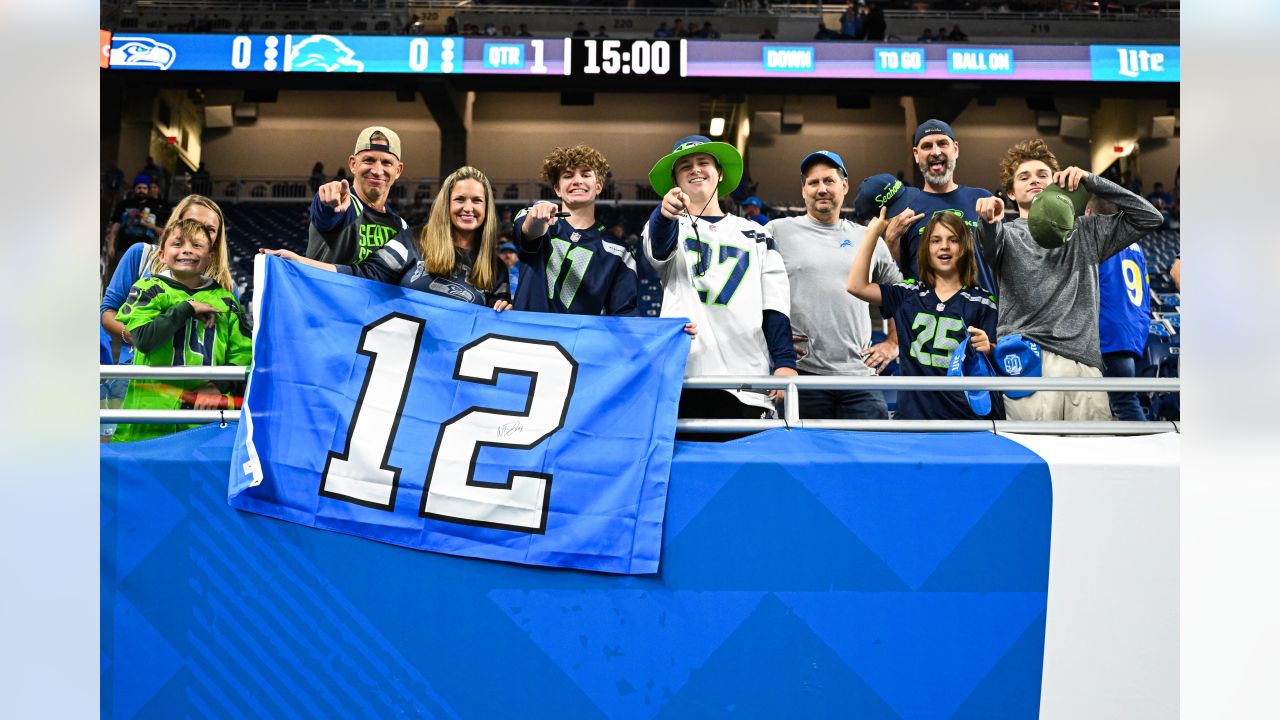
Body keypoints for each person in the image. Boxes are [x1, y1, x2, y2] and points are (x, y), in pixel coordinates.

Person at [974, 139, 1163, 421]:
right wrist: (988, 219)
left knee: (1089, 461)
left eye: (1042, 175)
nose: (1034, 181)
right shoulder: (1006, 234)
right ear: (1011, 192)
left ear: (1055, 183)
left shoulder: (1086, 231)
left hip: (1083, 364)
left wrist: (1092, 181)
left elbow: (1150, 217)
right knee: (1036, 459)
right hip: (1027, 363)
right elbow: (988, 242)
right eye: (1023, 177)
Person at [642, 135, 797, 419]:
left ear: (720, 173)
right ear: (676, 180)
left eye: (703, 162)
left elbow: (774, 303)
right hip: (683, 374)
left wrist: (785, 361)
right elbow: (660, 248)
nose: (695, 169)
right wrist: (665, 214)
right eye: (685, 165)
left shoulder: (758, 234)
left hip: (746, 377)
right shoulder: (666, 224)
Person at [767, 151, 909, 420]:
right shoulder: (777, 231)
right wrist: (774, 346)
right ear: (803, 189)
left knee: (869, 456)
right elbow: (753, 292)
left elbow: (902, 296)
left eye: (829, 181)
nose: (822, 189)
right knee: (805, 459)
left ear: (844, 186)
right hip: (803, 374)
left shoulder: (868, 238)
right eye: (813, 182)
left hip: (859, 376)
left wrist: (893, 343)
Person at [267, 166, 511, 310]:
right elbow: (364, 277)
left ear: (487, 208)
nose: (468, 207)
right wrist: (300, 263)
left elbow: (498, 320)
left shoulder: (496, 268)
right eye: (459, 199)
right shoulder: (413, 241)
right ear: (446, 205)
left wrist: (504, 309)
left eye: (477, 200)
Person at [848, 207, 1000, 420]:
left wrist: (989, 348)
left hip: (964, 421)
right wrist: (872, 235)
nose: (944, 246)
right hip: (913, 420)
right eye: (935, 240)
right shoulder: (908, 294)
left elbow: (996, 356)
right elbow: (856, 286)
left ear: (964, 247)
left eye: (953, 240)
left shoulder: (983, 302)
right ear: (926, 248)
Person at [113, 217, 252, 443]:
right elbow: (144, 339)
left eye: (196, 245)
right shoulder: (148, 289)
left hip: (205, 418)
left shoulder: (226, 301)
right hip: (150, 415)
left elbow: (243, 354)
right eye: (177, 244)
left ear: (210, 258)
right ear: (162, 255)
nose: (186, 251)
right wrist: (186, 308)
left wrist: (218, 386)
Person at [102, 194, 235, 364]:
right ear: (175, 225)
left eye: (210, 229)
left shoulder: (225, 285)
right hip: (136, 373)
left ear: (217, 238)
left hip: (196, 384)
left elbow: (233, 344)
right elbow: (108, 312)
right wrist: (136, 335)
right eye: (191, 223)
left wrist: (217, 385)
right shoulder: (140, 255)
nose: (199, 232)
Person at [512, 145, 638, 316]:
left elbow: (624, 315)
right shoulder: (535, 217)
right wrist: (538, 218)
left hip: (578, 342)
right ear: (557, 188)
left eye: (585, 174)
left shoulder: (618, 250)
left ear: (599, 186)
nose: (577, 180)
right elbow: (529, 233)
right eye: (568, 175)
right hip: (529, 338)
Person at [884, 119, 998, 296]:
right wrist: (891, 241)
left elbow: (1005, 261)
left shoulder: (983, 200)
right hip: (926, 318)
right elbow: (895, 277)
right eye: (927, 146)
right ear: (916, 154)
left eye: (942, 143)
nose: (935, 152)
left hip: (981, 318)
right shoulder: (905, 208)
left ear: (956, 149)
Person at [306, 126, 408, 265]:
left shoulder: (400, 227)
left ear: (398, 170)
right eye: (369, 160)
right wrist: (326, 201)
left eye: (386, 163)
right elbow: (327, 211)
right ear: (353, 164)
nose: (377, 171)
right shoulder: (344, 205)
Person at [1092, 196, 1151, 421]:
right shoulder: (1135, 246)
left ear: (1089, 214)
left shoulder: (1102, 240)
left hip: (1110, 332)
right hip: (1134, 331)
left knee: (1124, 403)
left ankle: (1148, 454)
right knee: (1123, 401)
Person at [104, 174, 165, 280]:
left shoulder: (156, 206)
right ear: (134, 189)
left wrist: (152, 226)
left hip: (148, 250)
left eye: (144, 188)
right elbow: (115, 227)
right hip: (123, 247)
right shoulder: (123, 204)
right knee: (121, 278)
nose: (141, 190)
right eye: (139, 188)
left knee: (144, 280)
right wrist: (110, 246)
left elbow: (164, 232)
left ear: (148, 189)